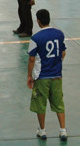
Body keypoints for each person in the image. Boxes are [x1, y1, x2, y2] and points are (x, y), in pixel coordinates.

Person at [27, 9, 67, 142]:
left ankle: (42, 130)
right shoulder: (59, 34)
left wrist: (29, 76)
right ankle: (63, 130)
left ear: (38, 21)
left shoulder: (36, 38)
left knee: (40, 103)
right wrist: (56, 63)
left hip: (42, 77)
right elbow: (63, 52)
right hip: (57, 76)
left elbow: (32, 59)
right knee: (59, 103)